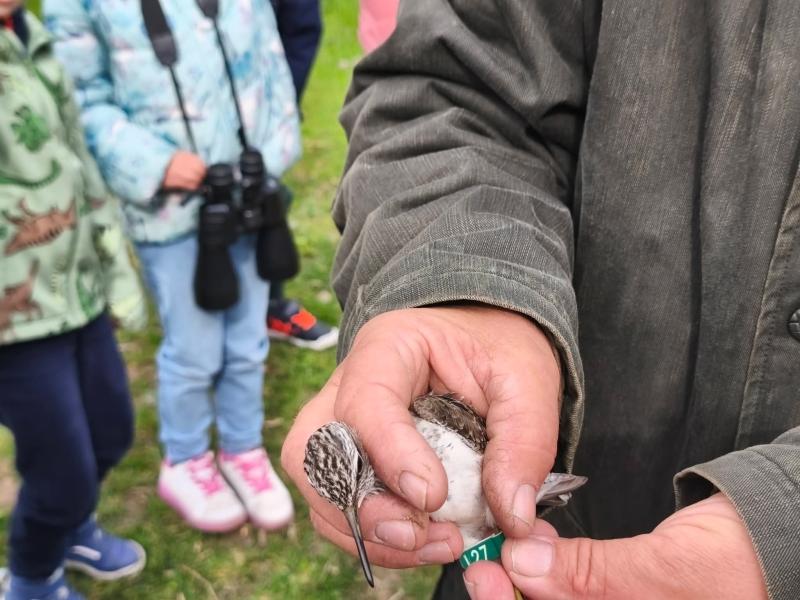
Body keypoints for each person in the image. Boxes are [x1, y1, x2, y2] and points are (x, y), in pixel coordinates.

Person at [281, 1, 800, 599]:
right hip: (544, 524)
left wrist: (781, 525)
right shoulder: (396, 430)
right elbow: (456, 86)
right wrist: (464, 295)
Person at [44, 0, 296, 533]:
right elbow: (79, 97)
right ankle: (185, 459)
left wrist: (270, 154)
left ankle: (243, 448)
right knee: (194, 347)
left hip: (249, 192)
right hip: (169, 209)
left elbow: (269, 57)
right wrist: (156, 164)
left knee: (248, 339)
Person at [0, 5, 148, 599]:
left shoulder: (29, 35)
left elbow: (74, 157)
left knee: (111, 432)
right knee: (60, 470)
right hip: (15, 321)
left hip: (76, 290)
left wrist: (111, 264)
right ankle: (31, 577)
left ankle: (70, 528)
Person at [268, 0, 339, 352]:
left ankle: (270, 305)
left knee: (267, 203)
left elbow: (301, 27)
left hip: (262, 106)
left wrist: (279, 103)